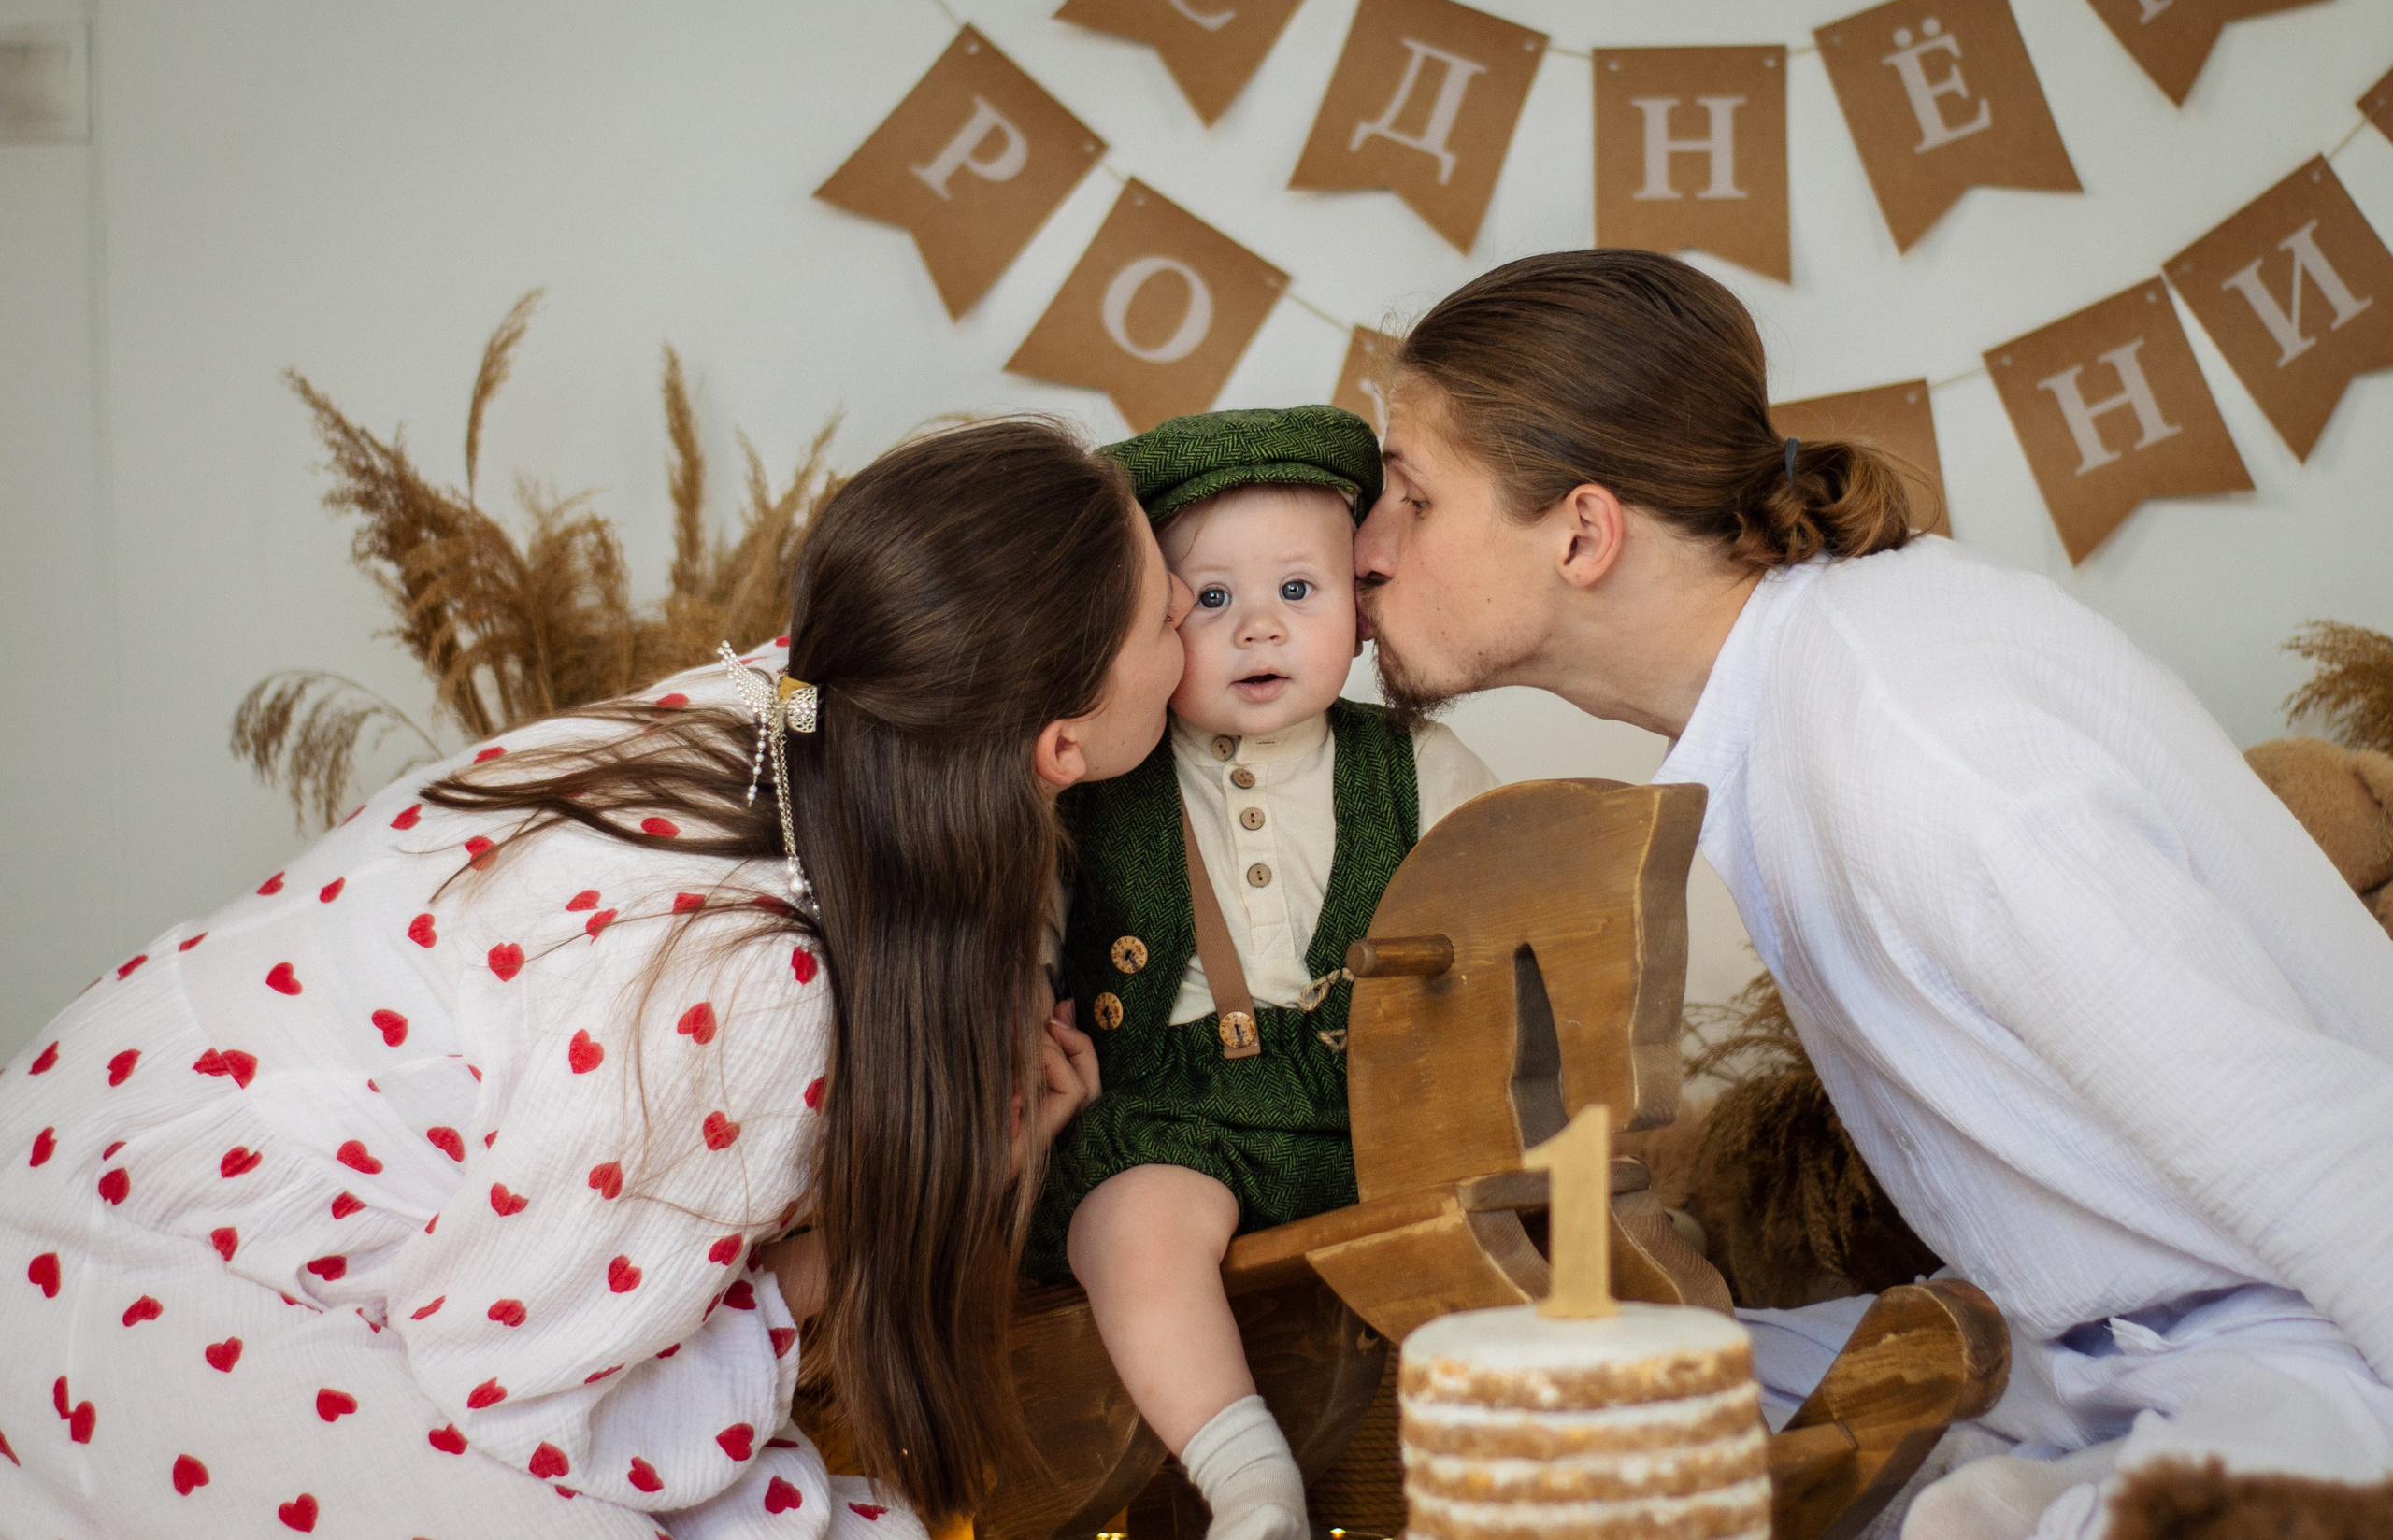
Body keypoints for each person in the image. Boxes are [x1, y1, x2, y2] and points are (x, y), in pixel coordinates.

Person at [1350, 249, 2393, 1539]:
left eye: (1410, 495)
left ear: (1581, 529)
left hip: (2299, 1351)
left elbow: (2328, 1142)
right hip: (2081, 1350)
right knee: (1536, 1415)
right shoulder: (1798, 697)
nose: (1366, 548)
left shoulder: (1915, 743)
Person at [0, 419, 1193, 1539]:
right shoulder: (748, 990)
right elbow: (515, 1382)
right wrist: (852, 1246)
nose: (1193, 606)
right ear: (1059, 747)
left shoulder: (823, 695)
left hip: (123, 1088)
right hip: (150, 1255)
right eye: (1166, 617)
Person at [1028, 408, 1497, 1540]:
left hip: (1371, 1108)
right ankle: (1245, 1476)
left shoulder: (1418, 766)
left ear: (1358, 605)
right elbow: (1021, 938)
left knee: (1482, 1200)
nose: (1256, 632)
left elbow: (1502, 920)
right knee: (1130, 1224)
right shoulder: (1101, 778)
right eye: (1209, 601)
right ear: (1143, 627)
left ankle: (1510, 1451)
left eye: (1298, 592)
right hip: (1168, 1112)